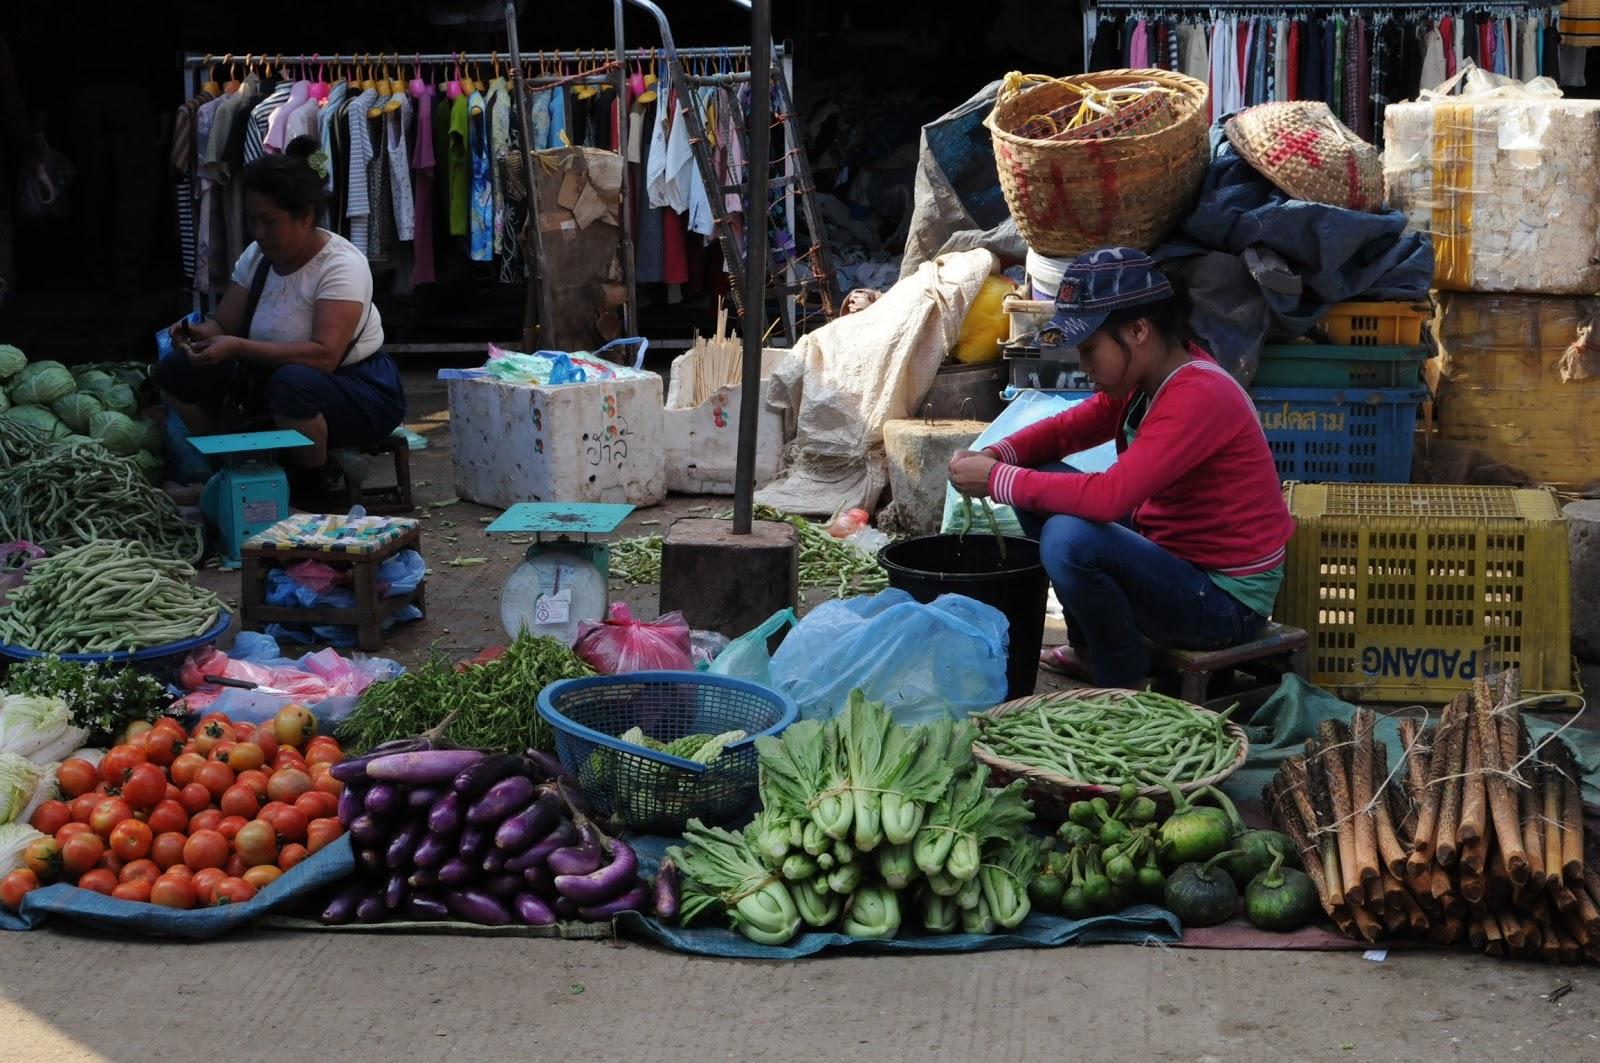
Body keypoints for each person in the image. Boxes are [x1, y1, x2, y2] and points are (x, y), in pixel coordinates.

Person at [948, 247, 1294, 691]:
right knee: (1044, 482)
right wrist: (996, 454)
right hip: (1177, 562)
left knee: (1069, 537)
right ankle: (1091, 649)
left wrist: (996, 479)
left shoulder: (1198, 395)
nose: (1084, 366)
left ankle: (1120, 679)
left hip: (1224, 605)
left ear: (1138, 330)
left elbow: (1110, 497)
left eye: (1090, 349)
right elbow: (1062, 433)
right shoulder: (1145, 380)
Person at [158, 135, 405, 496]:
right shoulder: (258, 257)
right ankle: (233, 471)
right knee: (175, 371)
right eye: (253, 222)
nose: (259, 233)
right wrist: (194, 335)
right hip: (268, 380)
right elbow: (223, 324)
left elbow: (324, 355)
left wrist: (238, 348)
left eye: (270, 223)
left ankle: (309, 491)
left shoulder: (341, 265)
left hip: (356, 389)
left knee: (294, 385)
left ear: (305, 216)